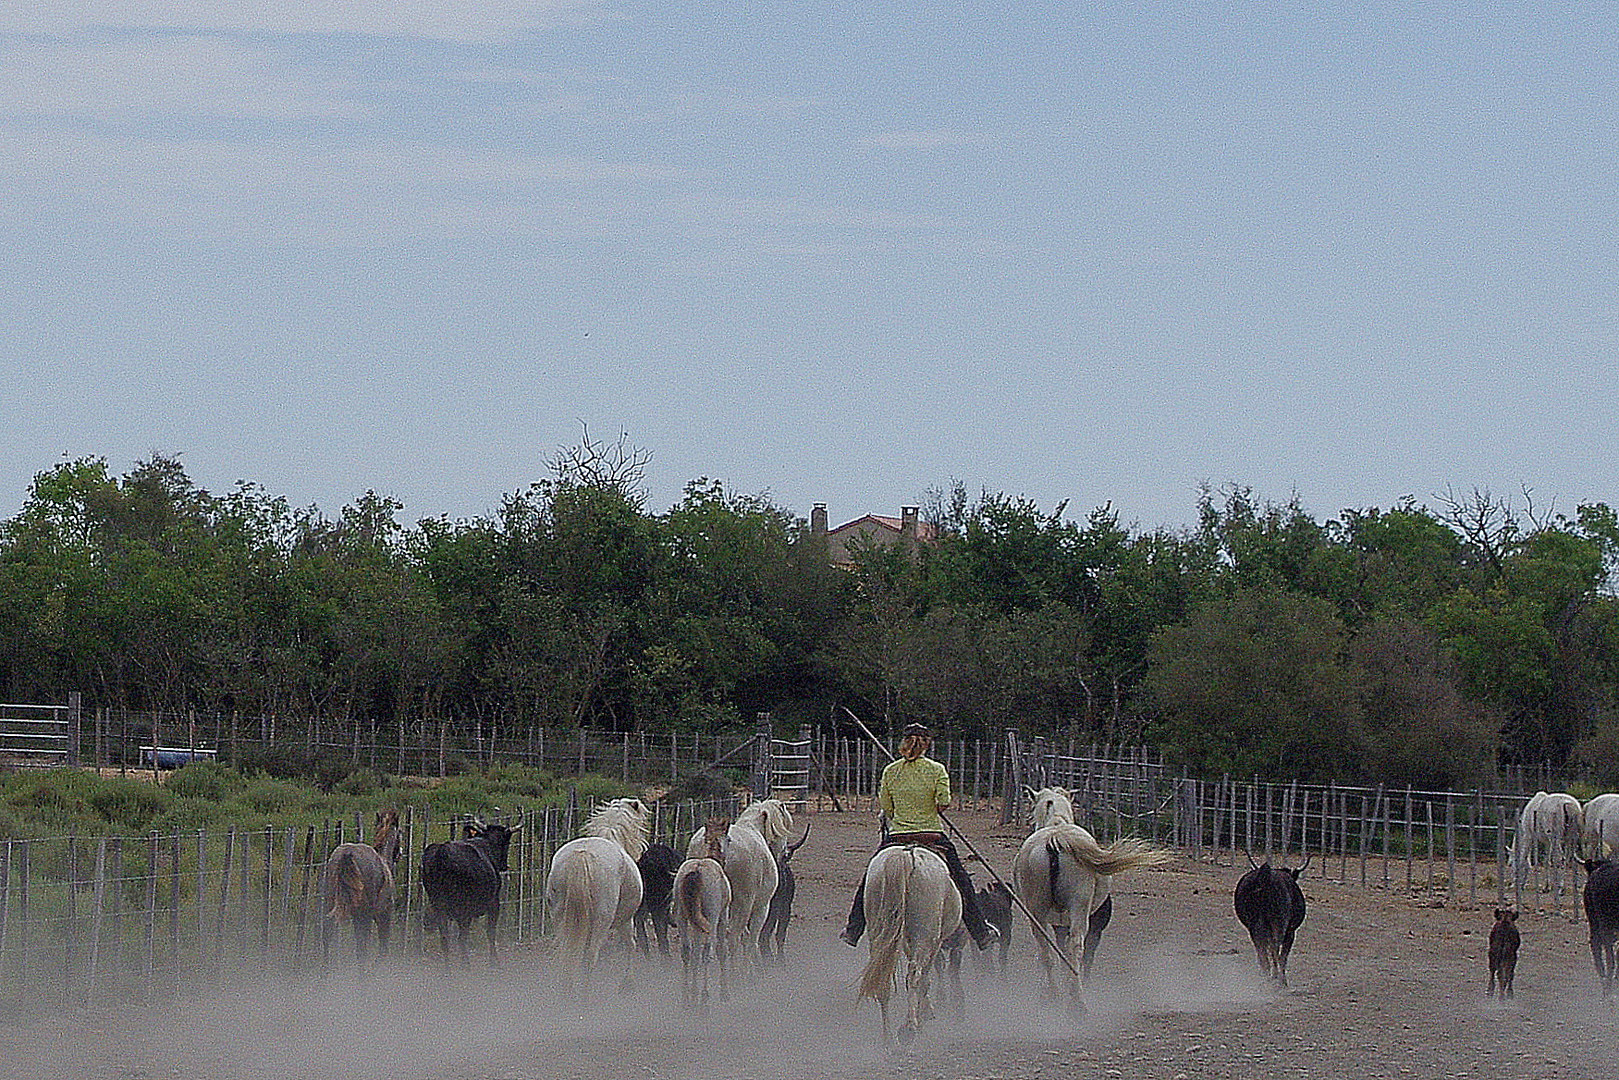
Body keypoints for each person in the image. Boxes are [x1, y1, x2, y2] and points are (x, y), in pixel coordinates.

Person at [840, 722, 1000, 950]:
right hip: (931, 836)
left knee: (868, 880)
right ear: (927, 745)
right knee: (962, 881)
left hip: (897, 837)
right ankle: (980, 932)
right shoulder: (937, 770)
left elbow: (887, 807)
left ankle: (853, 929)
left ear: (903, 743)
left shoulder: (891, 771)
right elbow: (943, 803)